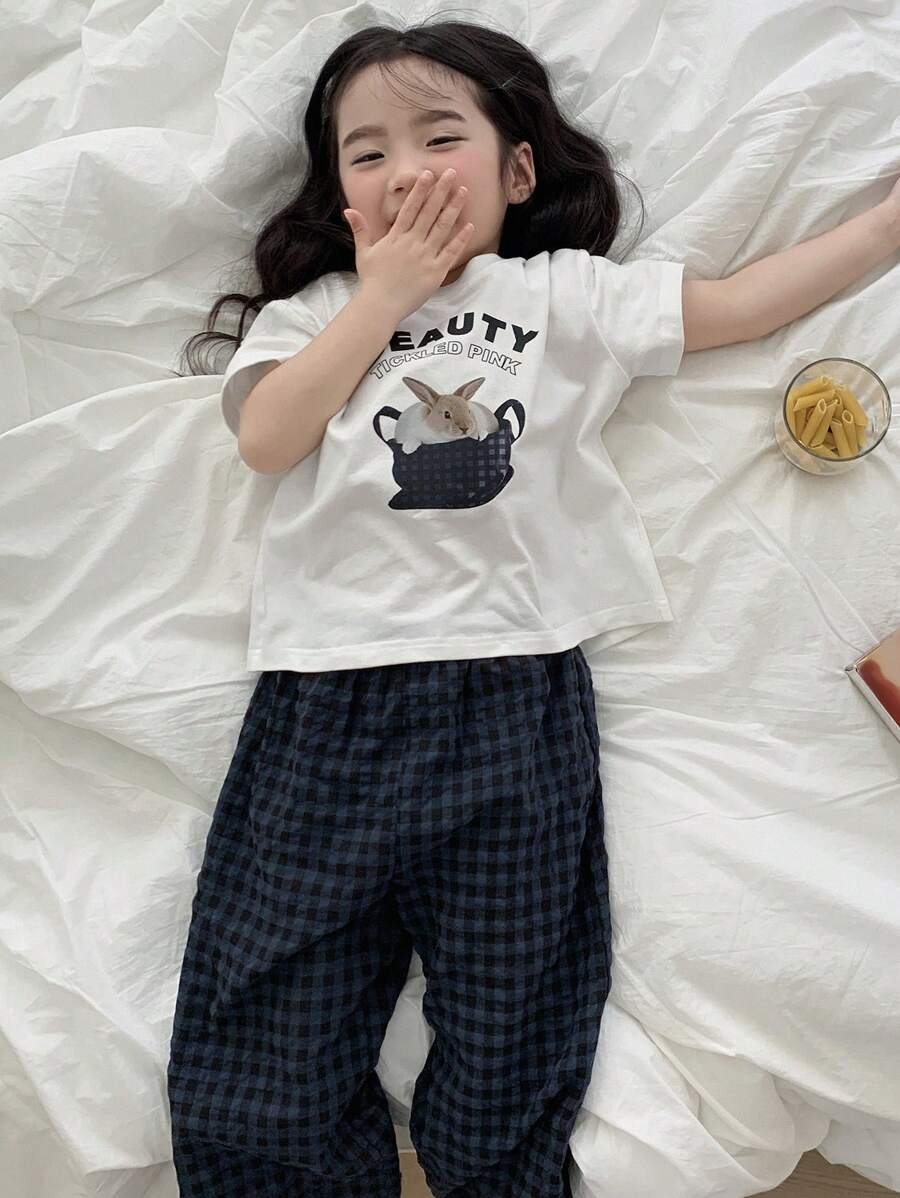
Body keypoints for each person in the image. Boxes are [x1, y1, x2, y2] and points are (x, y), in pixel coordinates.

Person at [165, 16, 900, 1198]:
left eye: (438, 137)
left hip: (514, 691)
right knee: (269, 1003)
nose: (405, 170)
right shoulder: (319, 311)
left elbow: (739, 306)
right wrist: (383, 295)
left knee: (516, 1001)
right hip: (324, 698)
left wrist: (882, 226)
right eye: (367, 153)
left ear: (516, 173)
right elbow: (267, 438)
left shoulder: (563, 295)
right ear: (341, 197)